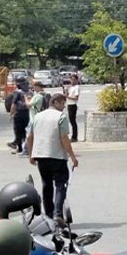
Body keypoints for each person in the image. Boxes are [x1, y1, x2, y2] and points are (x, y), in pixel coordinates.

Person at [25, 94, 78, 225]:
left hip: (41, 156)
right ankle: (57, 214)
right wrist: (72, 156)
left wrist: (31, 154)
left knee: (46, 185)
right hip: (57, 156)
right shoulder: (61, 117)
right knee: (61, 185)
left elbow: (30, 137)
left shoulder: (37, 116)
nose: (64, 106)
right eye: (62, 103)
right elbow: (64, 138)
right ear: (55, 102)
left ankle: (48, 215)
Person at [7, 78, 30, 155]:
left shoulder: (17, 92)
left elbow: (14, 104)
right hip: (28, 113)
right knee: (26, 131)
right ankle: (26, 147)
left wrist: (11, 114)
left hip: (19, 113)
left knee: (18, 131)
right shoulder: (30, 92)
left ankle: (19, 148)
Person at [65, 74, 80, 141]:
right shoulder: (71, 87)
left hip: (73, 105)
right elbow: (66, 94)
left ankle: (74, 137)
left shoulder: (77, 87)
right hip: (69, 104)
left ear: (77, 80)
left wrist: (67, 97)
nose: (72, 81)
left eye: (74, 79)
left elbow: (76, 98)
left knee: (73, 121)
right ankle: (73, 136)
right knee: (71, 121)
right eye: (71, 79)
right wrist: (66, 90)